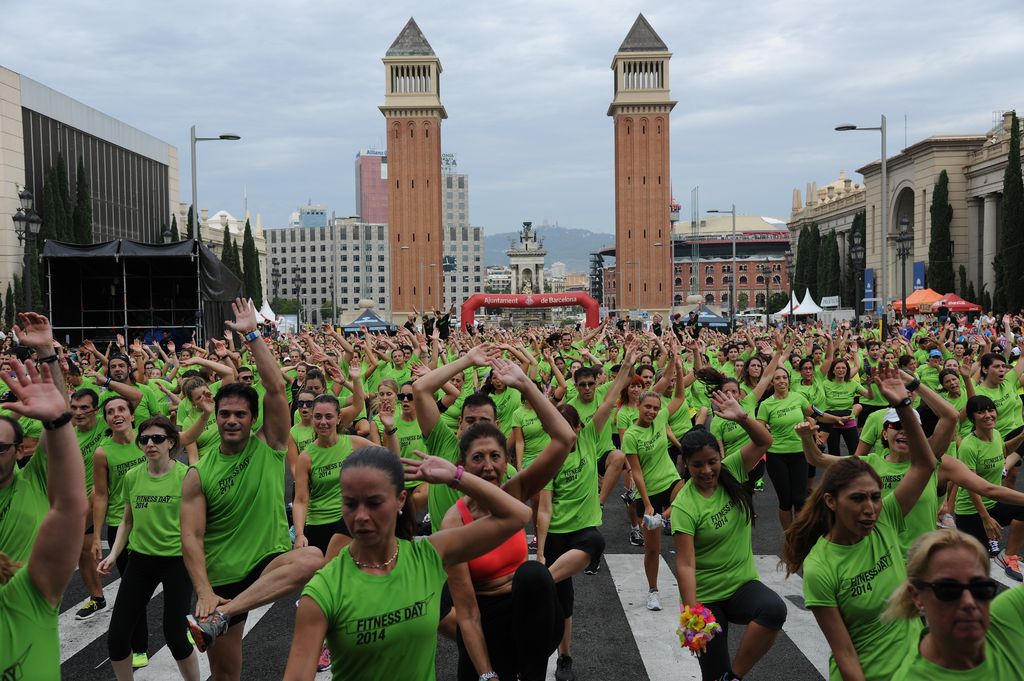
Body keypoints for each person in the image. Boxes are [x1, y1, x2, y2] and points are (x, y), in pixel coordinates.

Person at [282, 446, 532, 680]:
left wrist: (456, 476)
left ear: (401, 500)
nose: (360, 516)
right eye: (350, 503)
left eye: (374, 503)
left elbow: (518, 515)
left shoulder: (428, 556)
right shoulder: (323, 590)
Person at [182, 299, 324, 681]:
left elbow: (276, 387)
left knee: (311, 558)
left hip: (268, 561)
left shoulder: (271, 444)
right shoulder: (198, 473)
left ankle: (222, 617)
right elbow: (191, 538)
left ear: (252, 419)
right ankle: (220, 612)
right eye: (224, 414)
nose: (231, 420)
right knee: (227, 676)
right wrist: (205, 592)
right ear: (216, 417)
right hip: (223, 578)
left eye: (239, 414)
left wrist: (252, 334)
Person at [783, 366, 937, 681]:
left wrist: (904, 406)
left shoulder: (886, 519)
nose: (870, 509)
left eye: (875, 497)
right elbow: (844, 652)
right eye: (857, 499)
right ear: (831, 501)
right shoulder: (820, 567)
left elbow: (924, 463)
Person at [443, 357, 575, 681]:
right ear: (461, 464)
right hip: (485, 620)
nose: (488, 466)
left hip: (528, 615)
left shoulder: (514, 492)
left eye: (495, 457)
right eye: (477, 458)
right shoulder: (455, 522)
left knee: (533, 574)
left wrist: (526, 384)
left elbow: (564, 439)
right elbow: (468, 614)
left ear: (506, 461)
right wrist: (487, 674)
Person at [672, 390, 783, 681]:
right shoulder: (684, 505)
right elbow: (685, 564)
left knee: (773, 610)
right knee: (712, 673)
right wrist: (692, 614)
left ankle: (733, 677)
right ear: (686, 465)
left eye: (712, 461)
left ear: (720, 456)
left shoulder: (732, 469)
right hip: (707, 599)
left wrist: (744, 417)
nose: (707, 470)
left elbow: (764, 441)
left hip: (741, 586)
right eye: (697, 465)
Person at [0, 358, 87, 680]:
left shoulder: (32, 478)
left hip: (30, 596)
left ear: (19, 451)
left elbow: (69, 503)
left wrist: (58, 417)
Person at [98, 416, 199, 681]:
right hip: (140, 561)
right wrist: (114, 553)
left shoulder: (187, 476)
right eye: (144, 439)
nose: (150, 444)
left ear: (171, 443)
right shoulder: (132, 477)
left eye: (157, 438)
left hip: (177, 561)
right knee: (118, 638)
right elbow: (127, 521)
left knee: (176, 637)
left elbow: (198, 527)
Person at [884, 529, 1023, 679]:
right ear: (916, 596)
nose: (969, 602)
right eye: (948, 590)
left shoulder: (1008, 617)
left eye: (980, 588)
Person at [622, 354, 687, 611]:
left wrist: (678, 367)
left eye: (655, 408)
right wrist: (648, 506)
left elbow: (680, 397)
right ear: (638, 406)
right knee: (652, 549)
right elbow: (636, 473)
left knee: (686, 491)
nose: (651, 412)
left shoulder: (661, 419)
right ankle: (653, 591)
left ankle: (667, 516)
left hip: (670, 481)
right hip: (647, 493)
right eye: (647, 407)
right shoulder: (631, 435)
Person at [757, 367, 843, 529]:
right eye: (777, 378)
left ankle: (800, 534)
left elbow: (817, 414)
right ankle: (789, 535)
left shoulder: (798, 398)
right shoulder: (766, 405)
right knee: (785, 500)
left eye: (784, 377)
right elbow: (760, 432)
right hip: (777, 456)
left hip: (799, 453)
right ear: (772, 382)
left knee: (800, 498)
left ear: (789, 380)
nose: (782, 381)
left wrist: (835, 419)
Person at [954, 395, 1024, 580]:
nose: (987, 415)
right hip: (971, 512)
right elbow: (971, 485)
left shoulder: (996, 434)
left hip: (992, 503)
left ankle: (1008, 556)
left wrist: (1023, 436)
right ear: (972, 417)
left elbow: (1004, 451)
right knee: (976, 566)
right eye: (980, 412)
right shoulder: (969, 447)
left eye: (990, 410)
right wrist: (986, 518)